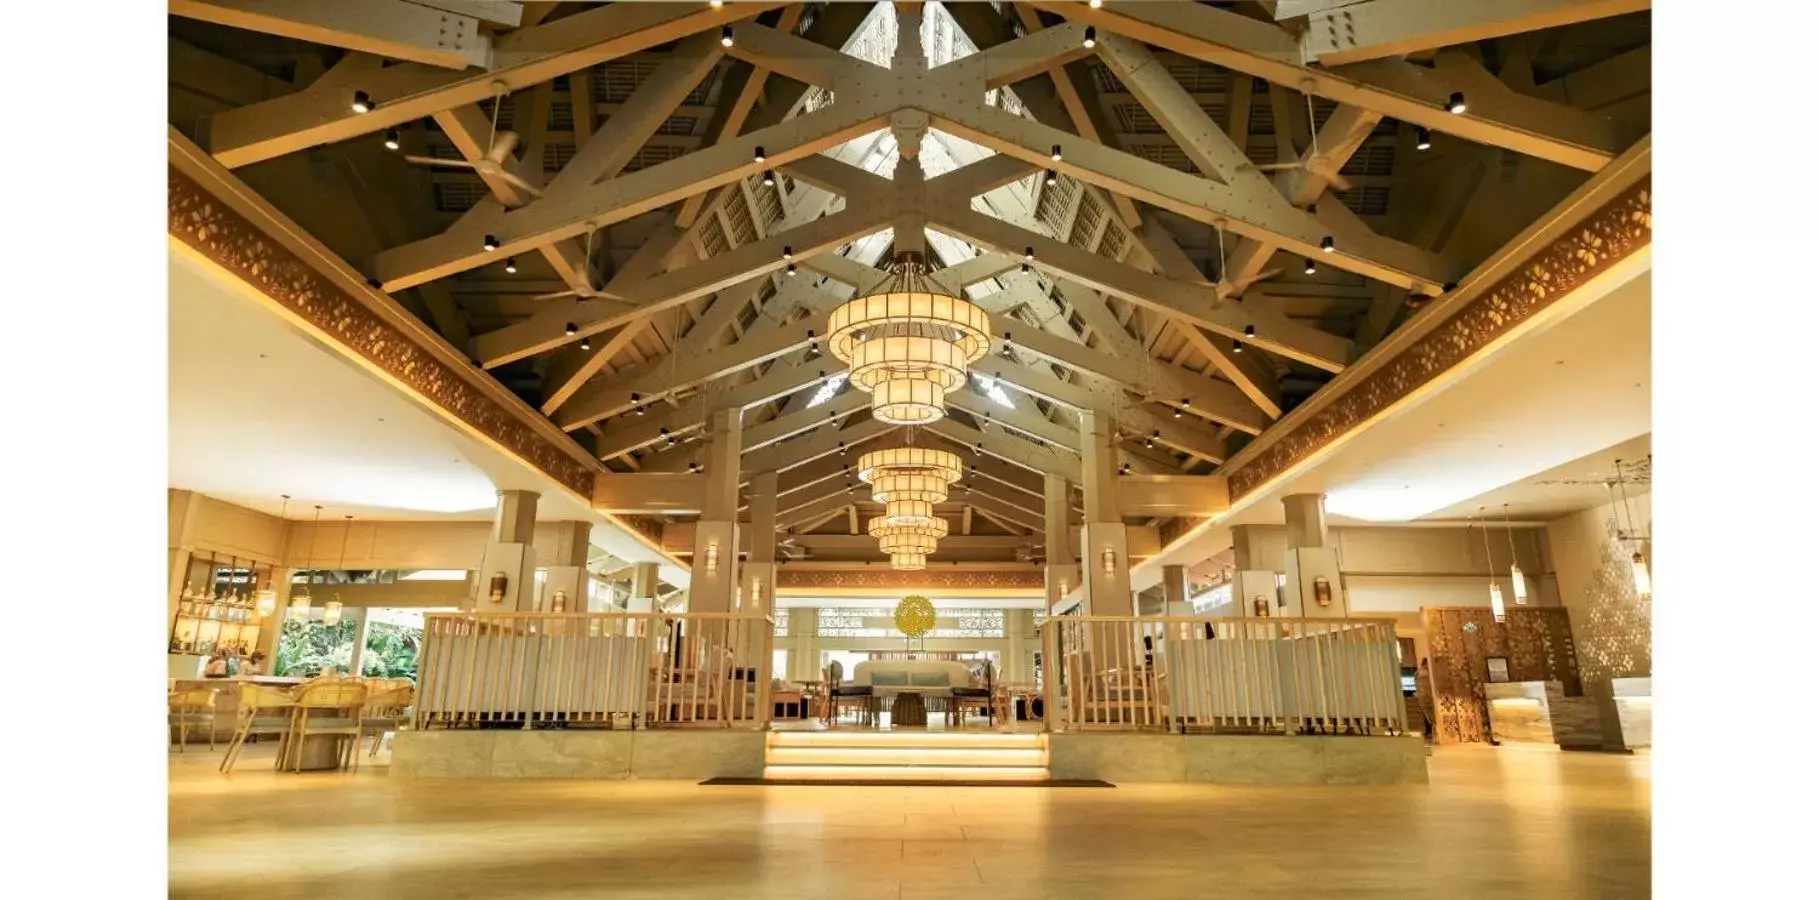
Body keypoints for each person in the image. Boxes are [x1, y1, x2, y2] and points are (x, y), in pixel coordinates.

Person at [1415, 658, 1436, 741]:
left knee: (1427, 716)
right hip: (1429, 697)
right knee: (1430, 716)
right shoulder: (1428, 672)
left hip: (1424, 697)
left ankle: (1429, 732)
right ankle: (1430, 732)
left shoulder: (1418, 673)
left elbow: (1418, 685)